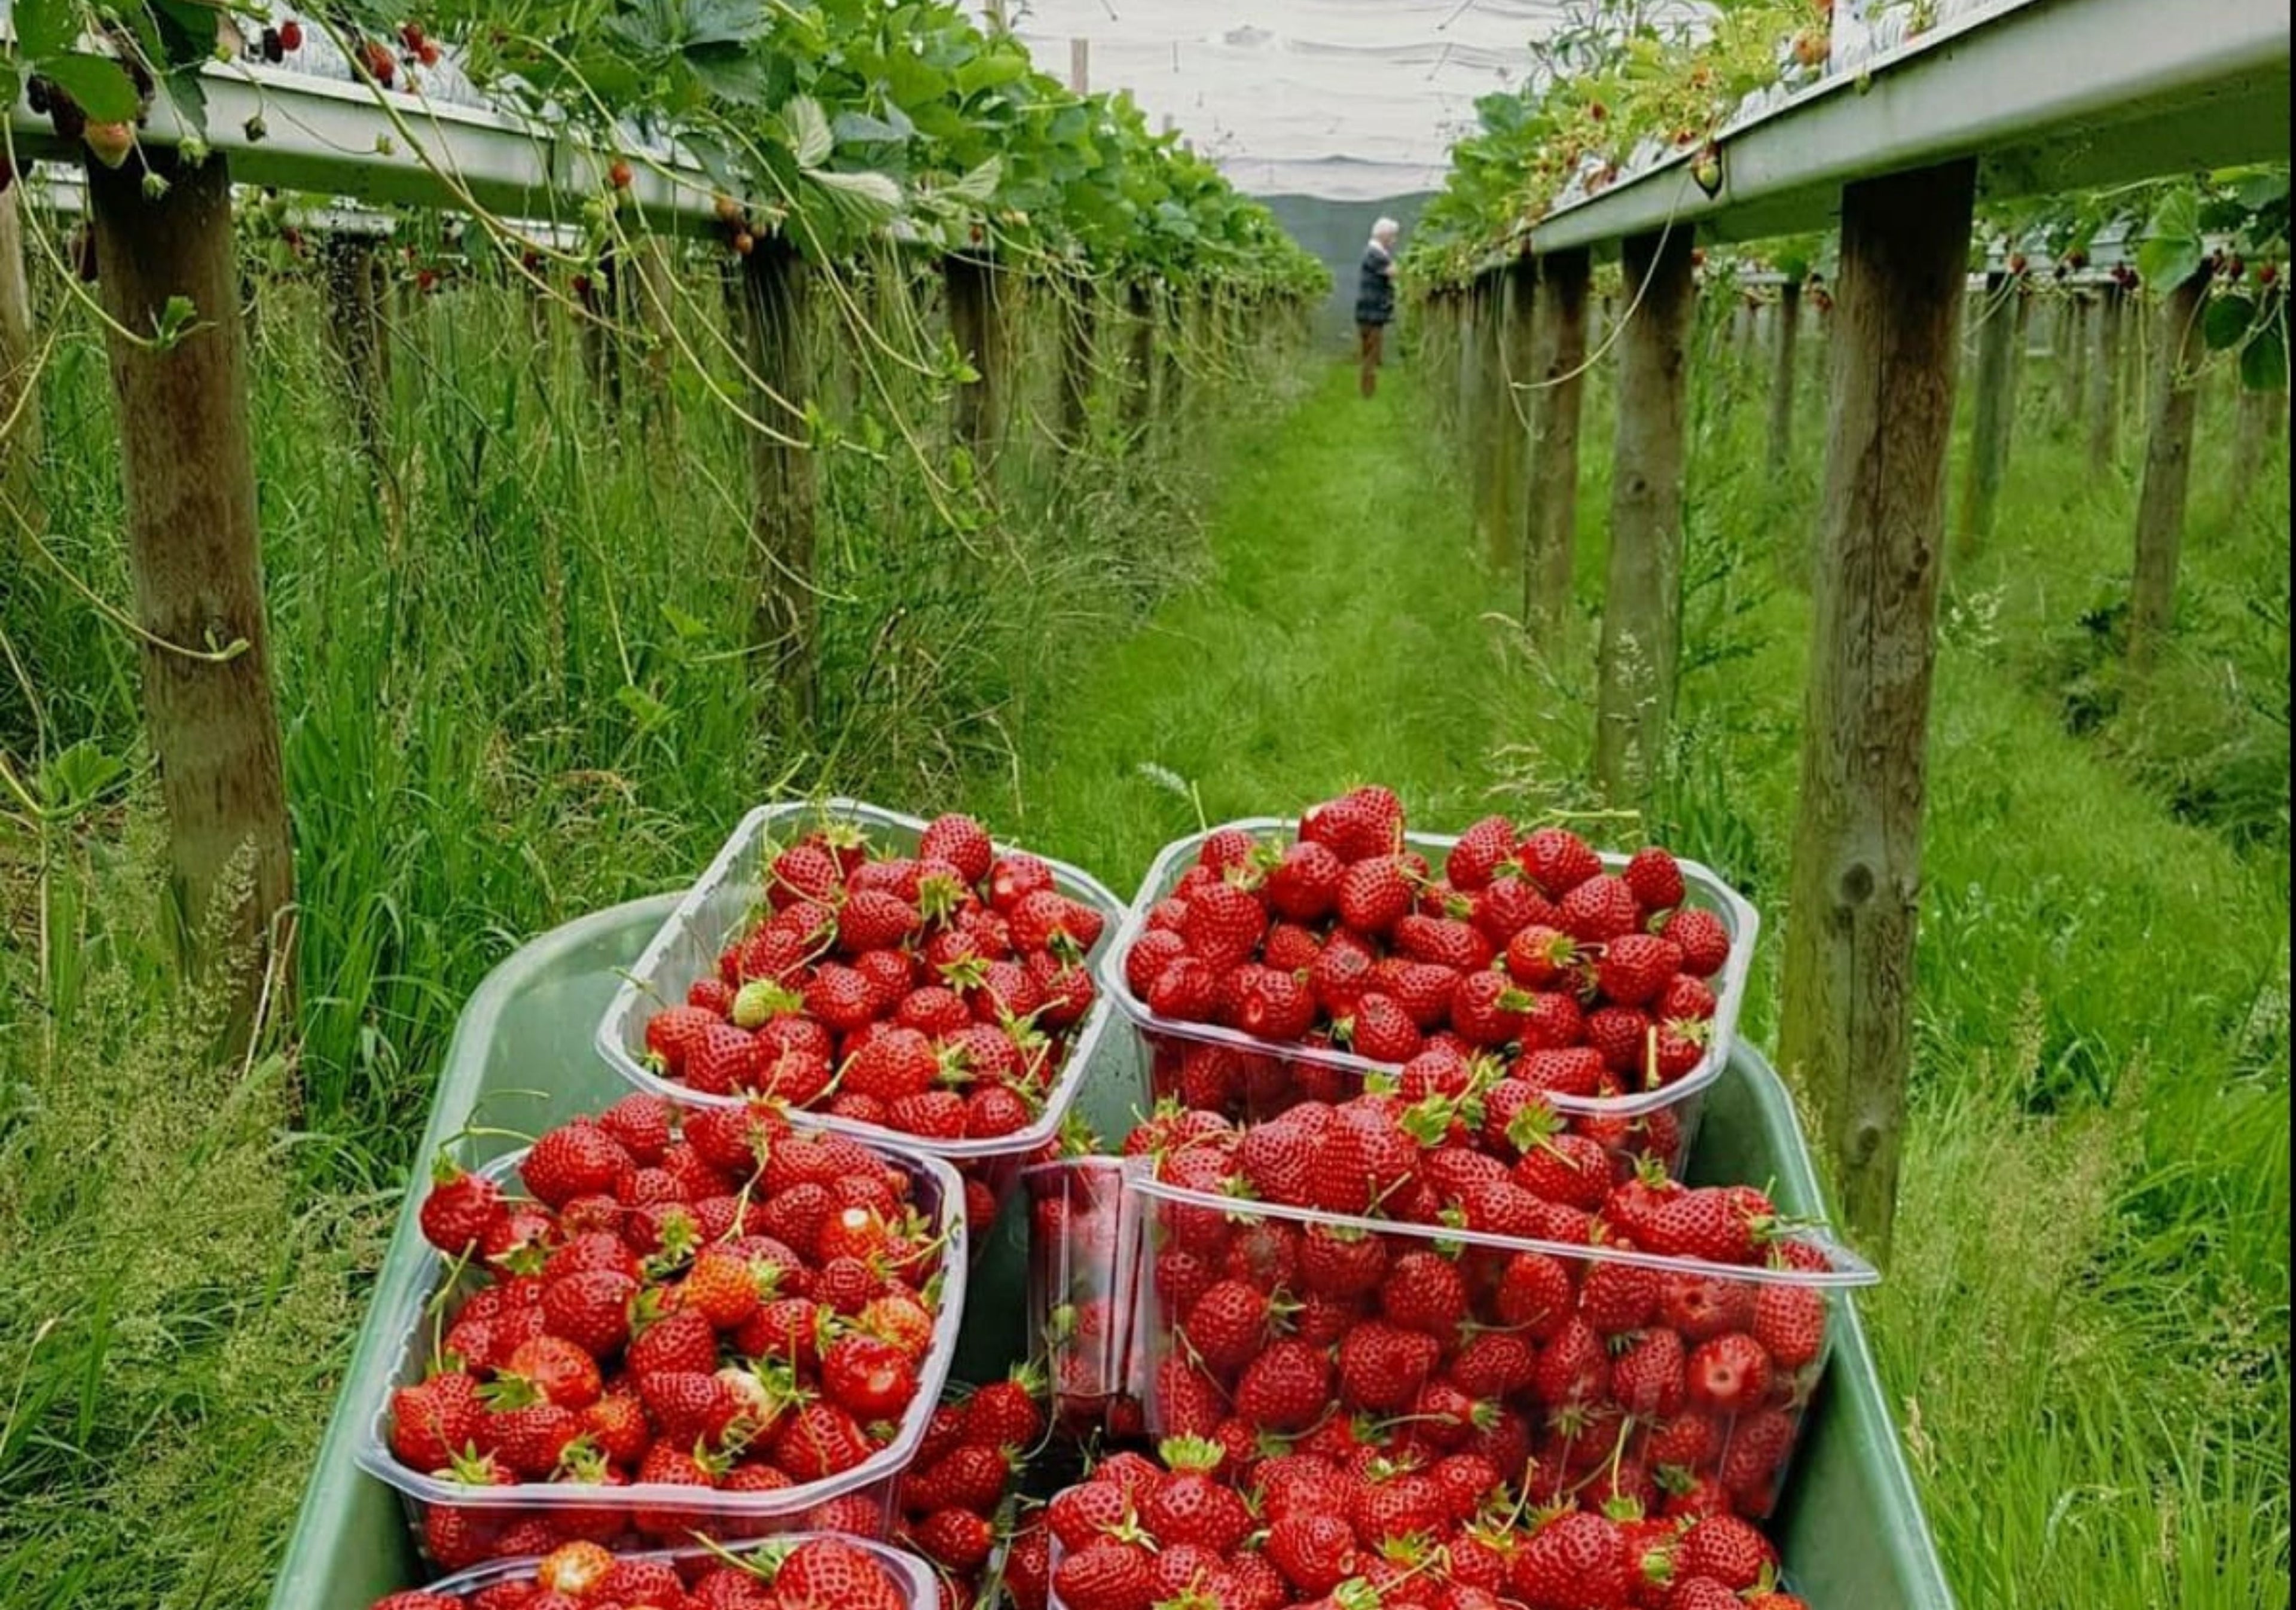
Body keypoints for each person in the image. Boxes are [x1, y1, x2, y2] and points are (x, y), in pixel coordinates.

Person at [1355, 217, 1400, 398]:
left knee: (1370, 351)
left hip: (1367, 309)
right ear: (1384, 235)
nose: (1394, 241)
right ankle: (1368, 391)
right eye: (1393, 236)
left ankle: (1368, 388)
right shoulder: (1375, 254)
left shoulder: (1373, 252)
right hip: (1372, 311)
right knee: (1372, 352)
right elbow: (1394, 272)